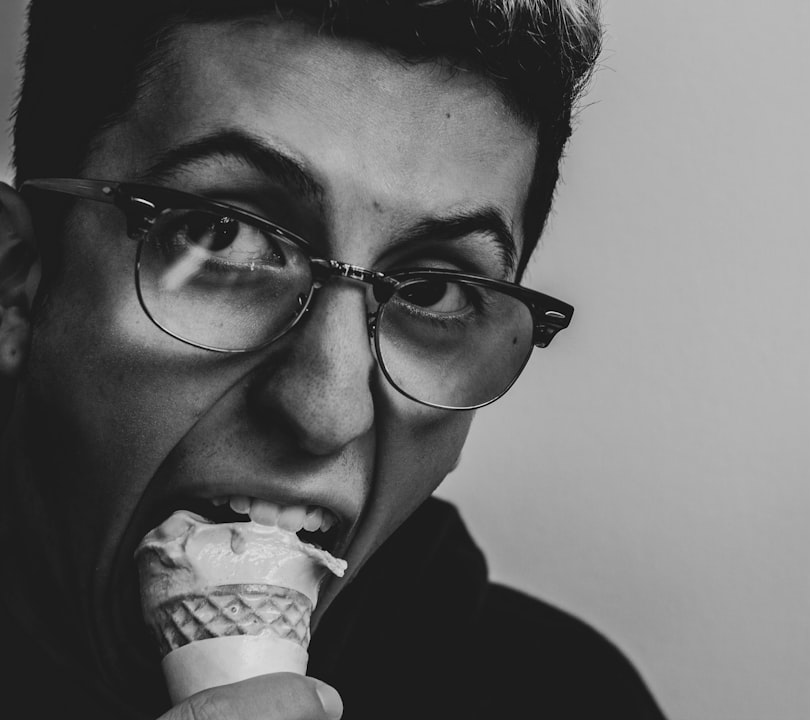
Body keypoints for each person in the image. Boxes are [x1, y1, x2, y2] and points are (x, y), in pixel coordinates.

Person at [0, 1, 667, 718]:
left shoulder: (572, 698)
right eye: (224, 236)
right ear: (17, 278)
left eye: (435, 289)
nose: (327, 411)